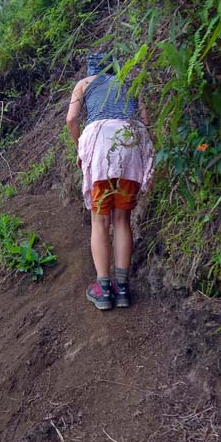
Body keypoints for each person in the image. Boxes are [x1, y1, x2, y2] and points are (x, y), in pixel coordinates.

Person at [66, 53, 154, 310]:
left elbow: (71, 119)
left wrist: (78, 148)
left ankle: (104, 290)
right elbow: (146, 121)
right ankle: (123, 288)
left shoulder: (84, 83)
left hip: (102, 144)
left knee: (100, 219)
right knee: (122, 219)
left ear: (91, 69)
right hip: (131, 140)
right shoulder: (130, 80)